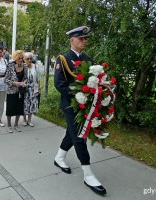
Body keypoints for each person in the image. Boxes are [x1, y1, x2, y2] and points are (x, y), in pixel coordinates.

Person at [53, 26, 106, 195]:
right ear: (72, 40)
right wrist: (77, 95)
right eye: (81, 39)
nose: (84, 41)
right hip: (70, 105)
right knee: (79, 136)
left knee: (72, 132)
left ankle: (59, 158)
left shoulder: (88, 59)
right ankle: (88, 174)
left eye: (85, 39)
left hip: (86, 105)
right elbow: (59, 84)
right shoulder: (63, 59)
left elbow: (93, 81)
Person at [4, 50, 27, 133]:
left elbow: (26, 77)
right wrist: (14, 83)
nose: (21, 59)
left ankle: (16, 125)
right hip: (11, 91)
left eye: (22, 58)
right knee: (10, 108)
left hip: (21, 91)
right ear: (15, 58)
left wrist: (24, 82)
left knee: (19, 108)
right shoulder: (10, 66)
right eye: (19, 58)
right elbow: (6, 80)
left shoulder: (25, 66)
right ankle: (9, 125)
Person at [23, 52, 40, 127]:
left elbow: (38, 79)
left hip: (33, 89)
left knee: (32, 104)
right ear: (24, 59)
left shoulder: (35, 67)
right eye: (27, 59)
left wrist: (39, 89)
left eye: (30, 58)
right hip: (25, 89)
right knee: (25, 104)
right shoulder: (23, 67)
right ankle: (24, 119)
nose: (29, 60)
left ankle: (29, 120)